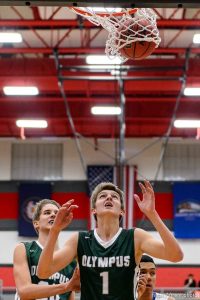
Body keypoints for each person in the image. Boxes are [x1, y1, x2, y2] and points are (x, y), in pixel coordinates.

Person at [37, 180, 183, 300]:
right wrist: (55, 230)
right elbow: (43, 272)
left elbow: (176, 255)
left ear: (122, 211)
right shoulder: (79, 240)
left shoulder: (135, 237)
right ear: (93, 210)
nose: (108, 197)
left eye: (114, 196)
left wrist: (152, 214)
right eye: (102, 196)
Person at [13, 199, 80, 300]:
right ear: (36, 223)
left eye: (57, 213)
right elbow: (24, 291)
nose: (53, 215)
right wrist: (65, 286)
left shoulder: (69, 260)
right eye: (47, 213)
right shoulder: (24, 249)